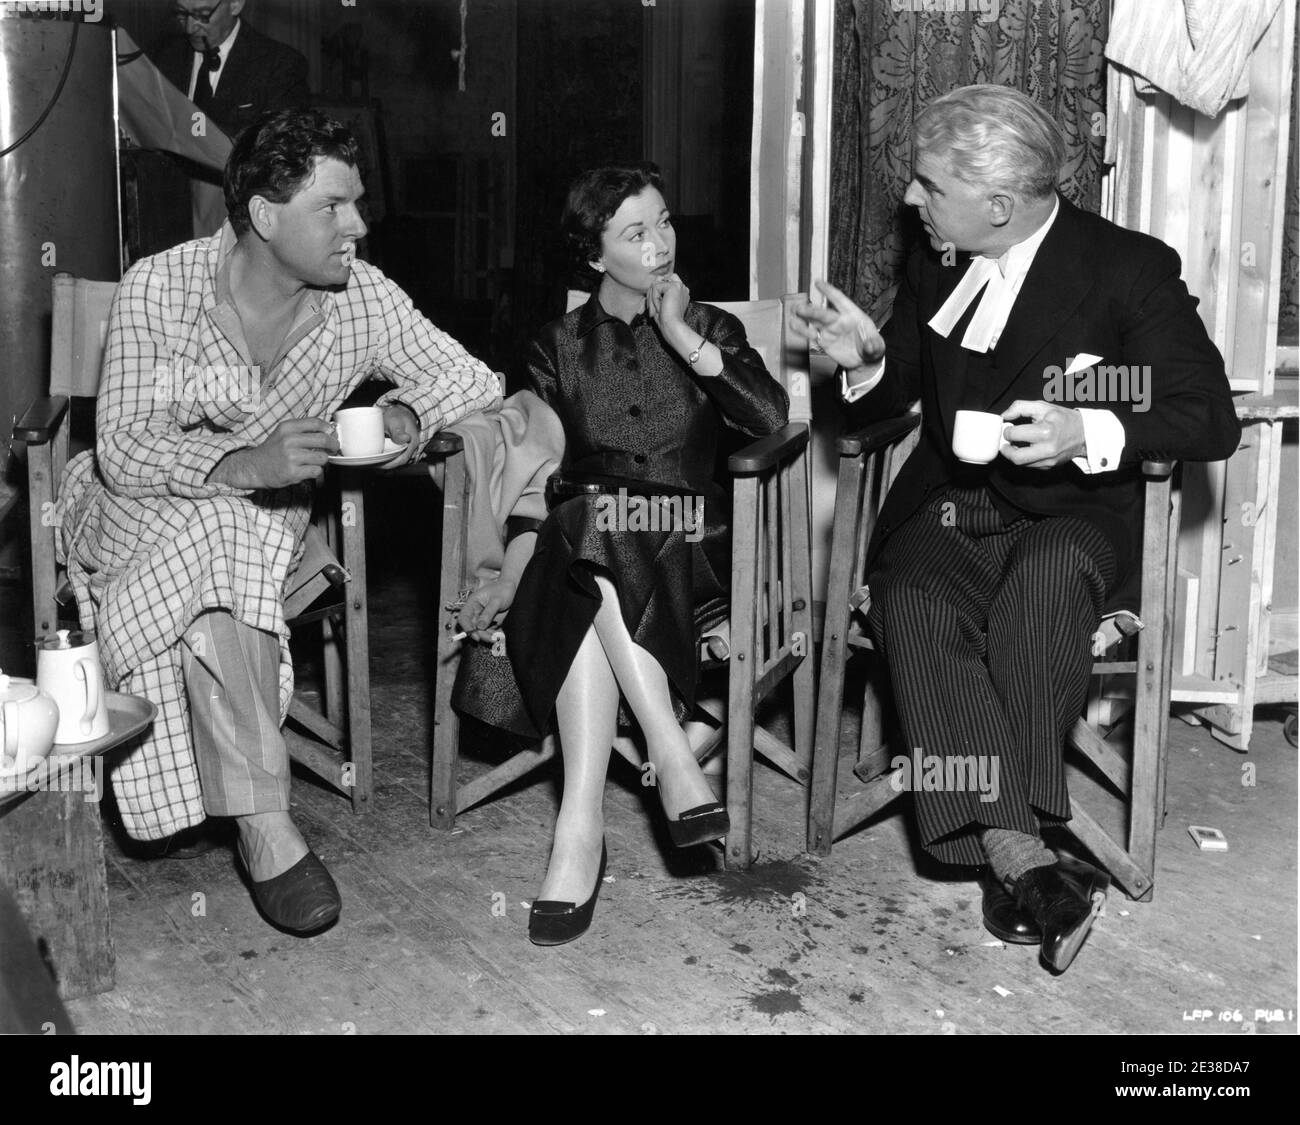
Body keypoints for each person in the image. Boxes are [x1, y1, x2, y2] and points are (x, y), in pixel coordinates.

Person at [793, 85, 1239, 974]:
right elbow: (903, 386)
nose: (910, 202)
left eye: (927, 185)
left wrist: (1090, 427)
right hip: (953, 504)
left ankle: (1007, 847)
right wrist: (865, 362)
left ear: (1000, 205)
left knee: (1040, 591)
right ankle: (1026, 852)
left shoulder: (1127, 269)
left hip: (1073, 518)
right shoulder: (943, 258)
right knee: (910, 595)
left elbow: (1206, 413)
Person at [59, 109, 501, 935]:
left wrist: (401, 414)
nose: (359, 226)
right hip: (127, 513)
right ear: (265, 217)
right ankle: (266, 825)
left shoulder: (360, 297)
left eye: (357, 203)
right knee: (220, 531)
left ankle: (251, 816)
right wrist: (238, 465)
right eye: (333, 207)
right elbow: (121, 446)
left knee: (230, 542)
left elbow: (471, 378)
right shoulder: (165, 284)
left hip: (263, 541)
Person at [456, 163, 789, 945]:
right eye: (636, 232)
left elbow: (769, 416)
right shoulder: (554, 348)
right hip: (585, 541)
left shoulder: (711, 328)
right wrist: (509, 567)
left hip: (694, 556)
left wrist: (685, 341)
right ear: (594, 253)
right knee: (590, 521)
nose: (662, 244)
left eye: (666, 222)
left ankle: (580, 830)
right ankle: (664, 759)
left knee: (592, 533)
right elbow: (537, 474)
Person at [150, 0, 311, 237]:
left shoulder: (280, 65)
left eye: (202, 15)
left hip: (241, 227)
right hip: (171, 222)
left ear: (235, 4)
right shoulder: (162, 58)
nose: (190, 28)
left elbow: (278, 158)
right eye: (182, 15)